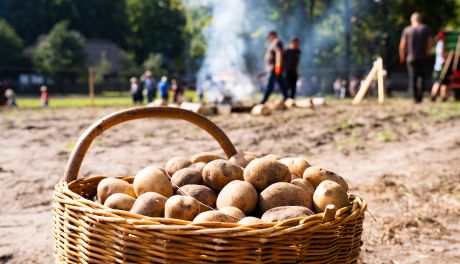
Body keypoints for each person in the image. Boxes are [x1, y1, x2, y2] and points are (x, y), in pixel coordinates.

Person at [399, 12, 433, 103]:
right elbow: (430, 42)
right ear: (420, 19)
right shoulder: (425, 29)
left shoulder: (407, 30)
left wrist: (402, 56)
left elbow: (402, 45)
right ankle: (420, 96)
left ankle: (415, 98)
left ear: (412, 20)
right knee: (422, 78)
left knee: (413, 78)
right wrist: (429, 51)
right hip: (423, 57)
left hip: (411, 58)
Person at [260, 31, 288, 104]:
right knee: (281, 84)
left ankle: (263, 101)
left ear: (272, 35)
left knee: (269, 84)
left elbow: (279, 53)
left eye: (269, 37)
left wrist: (278, 67)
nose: (268, 38)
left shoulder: (277, 42)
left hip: (275, 68)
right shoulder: (274, 43)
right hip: (273, 68)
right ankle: (287, 98)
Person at [430, 31, 449, 102]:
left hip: (437, 65)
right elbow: (442, 53)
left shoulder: (437, 43)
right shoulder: (442, 43)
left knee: (442, 82)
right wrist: (446, 56)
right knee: (440, 81)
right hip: (442, 65)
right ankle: (434, 95)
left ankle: (443, 96)